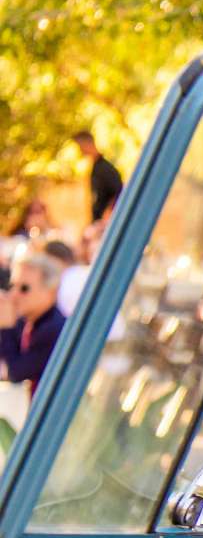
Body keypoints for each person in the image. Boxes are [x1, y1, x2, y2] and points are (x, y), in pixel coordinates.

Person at [2, 248, 68, 389]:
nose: (13, 294)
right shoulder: (27, 320)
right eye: (12, 285)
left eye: (24, 288)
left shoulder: (55, 329)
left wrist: (6, 327)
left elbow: (15, 372)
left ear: (51, 291)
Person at [72, 130, 121, 225]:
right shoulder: (95, 168)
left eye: (80, 146)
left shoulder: (105, 169)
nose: (80, 150)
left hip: (104, 225)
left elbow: (118, 191)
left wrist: (107, 215)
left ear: (87, 143)